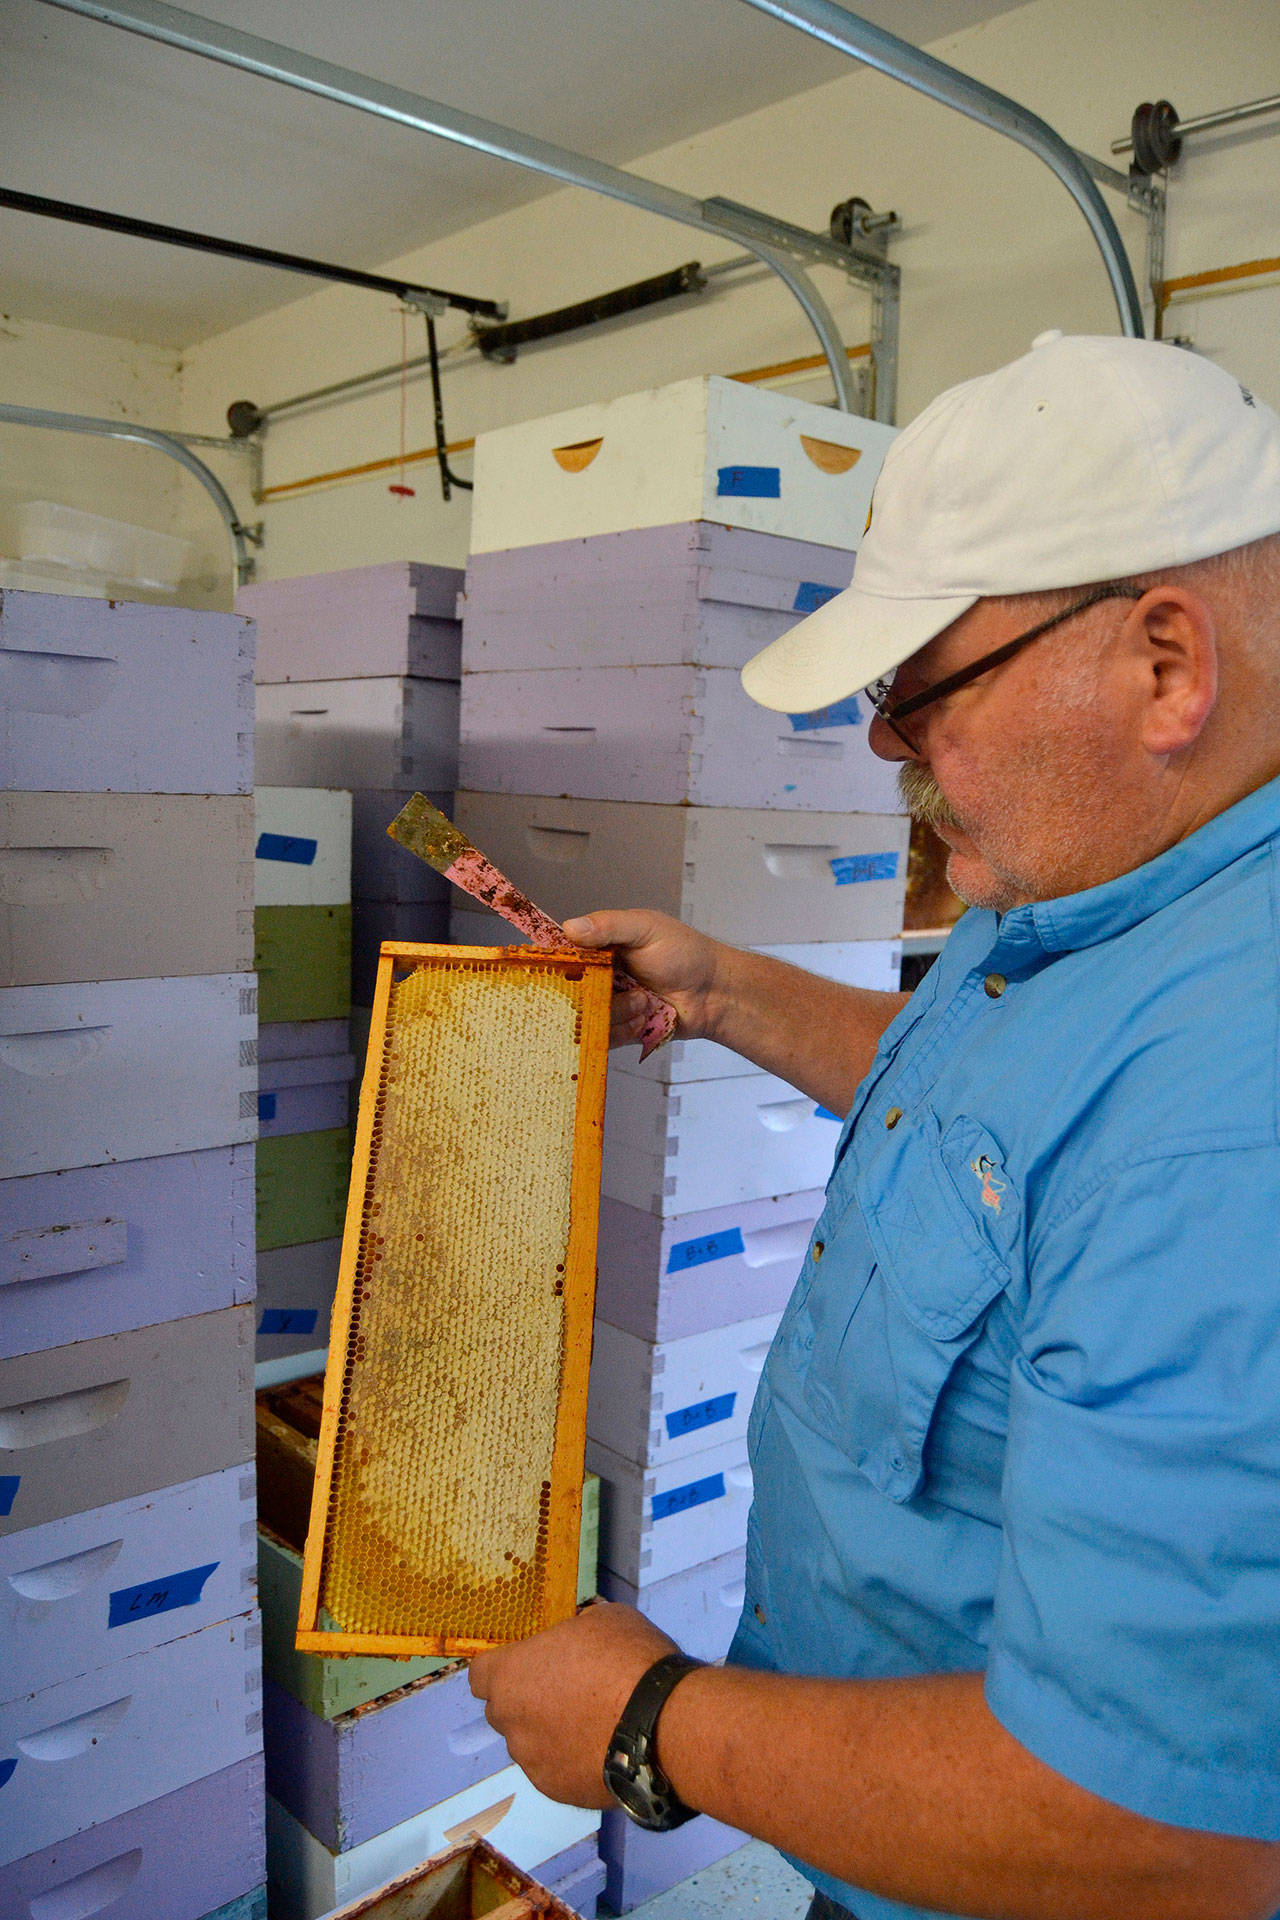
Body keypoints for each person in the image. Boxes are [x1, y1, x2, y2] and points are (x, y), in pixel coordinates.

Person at [469, 333, 1280, 1920]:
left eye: (923, 698)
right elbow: (1001, 1127)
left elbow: (1163, 1832)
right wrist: (728, 992)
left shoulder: (1231, 1124)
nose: (882, 747)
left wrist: (649, 1726)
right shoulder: (1096, 864)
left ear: (1166, 664)